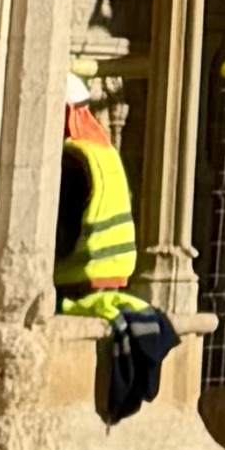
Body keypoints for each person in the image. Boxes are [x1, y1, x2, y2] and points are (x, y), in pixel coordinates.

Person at [57, 94, 140, 314]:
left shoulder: (72, 159)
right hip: (111, 277)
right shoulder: (103, 153)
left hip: (76, 278)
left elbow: (60, 235)